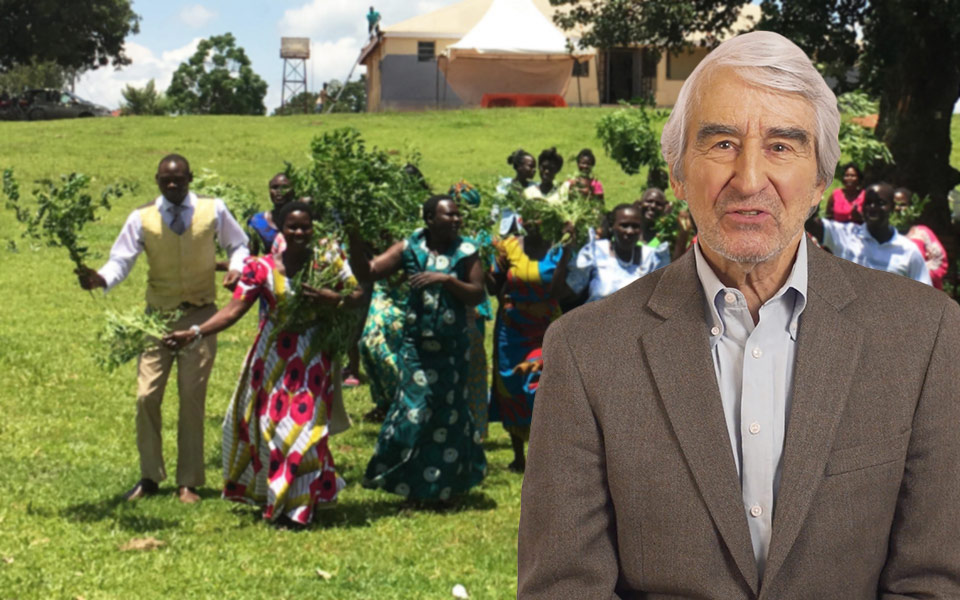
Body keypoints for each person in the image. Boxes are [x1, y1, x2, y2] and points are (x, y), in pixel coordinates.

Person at [518, 31, 960, 598]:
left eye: (782, 146)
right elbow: (563, 588)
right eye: (722, 143)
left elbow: (934, 581)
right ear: (677, 173)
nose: (749, 179)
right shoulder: (586, 351)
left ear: (821, 179)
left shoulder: (923, 335)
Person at [163, 201, 363, 526]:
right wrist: (196, 331)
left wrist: (334, 298)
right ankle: (283, 499)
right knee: (272, 430)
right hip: (272, 359)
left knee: (305, 429)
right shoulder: (261, 268)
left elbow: (356, 295)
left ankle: (298, 507)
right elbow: (234, 310)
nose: (299, 232)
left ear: (314, 229)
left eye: (305, 226)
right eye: (292, 227)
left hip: (313, 358)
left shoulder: (327, 260)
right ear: (281, 230)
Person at [75, 154, 249, 504]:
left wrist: (237, 266)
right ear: (157, 180)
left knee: (191, 399)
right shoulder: (142, 218)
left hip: (200, 315)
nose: (173, 185)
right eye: (166, 180)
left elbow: (239, 243)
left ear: (190, 178)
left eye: (179, 179)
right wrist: (100, 278)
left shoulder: (212, 210)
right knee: (146, 396)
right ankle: (150, 476)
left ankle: (188, 482)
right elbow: (121, 259)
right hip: (156, 319)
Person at [349, 196, 487, 501]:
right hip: (416, 348)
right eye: (448, 215)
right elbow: (369, 271)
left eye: (457, 215)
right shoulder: (408, 247)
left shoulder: (466, 251)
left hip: (453, 348)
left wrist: (447, 280)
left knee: (448, 415)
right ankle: (402, 478)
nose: (456, 220)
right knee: (415, 410)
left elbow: (477, 293)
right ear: (429, 218)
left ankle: (444, 488)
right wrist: (354, 238)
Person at [489, 217, 574, 473]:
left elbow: (558, 291)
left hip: (544, 326)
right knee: (511, 385)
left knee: (542, 385)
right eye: (531, 216)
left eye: (542, 216)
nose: (537, 221)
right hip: (511, 328)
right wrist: (486, 263)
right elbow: (495, 288)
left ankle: (546, 453)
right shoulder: (507, 246)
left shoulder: (559, 248)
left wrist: (567, 252)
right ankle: (518, 456)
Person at [806, 182, 932, 284]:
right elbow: (810, 225)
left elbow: (926, 297)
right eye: (868, 203)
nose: (872, 207)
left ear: (893, 208)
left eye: (880, 203)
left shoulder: (908, 251)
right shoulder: (846, 235)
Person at [566, 203, 669, 304]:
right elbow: (568, 294)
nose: (629, 231)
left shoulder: (649, 257)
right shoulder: (595, 251)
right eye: (624, 225)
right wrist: (566, 247)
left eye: (635, 226)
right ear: (611, 226)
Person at [895, 186, 948, 289]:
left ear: (911, 207)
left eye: (903, 205)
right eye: (894, 204)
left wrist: (914, 276)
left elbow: (940, 261)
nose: (897, 208)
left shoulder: (923, 233)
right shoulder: (882, 235)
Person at [247, 173, 294, 256]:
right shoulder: (257, 222)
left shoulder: (302, 221)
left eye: (284, 187)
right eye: (275, 188)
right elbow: (250, 257)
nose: (279, 192)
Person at [497, 149, 538, 235]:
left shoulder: (534, 188)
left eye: (535, 167)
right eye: (530, 166)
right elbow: (496, 207)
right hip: (506, 232)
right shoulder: (504, 185)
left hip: (524, 233)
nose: (534, 170)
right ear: (519, 167)